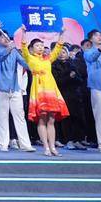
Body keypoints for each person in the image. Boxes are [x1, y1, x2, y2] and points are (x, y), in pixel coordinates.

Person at [0, 23, 34, 152]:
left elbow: (25, 63)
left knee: (20, 116)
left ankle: (25, 144)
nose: (6, 39)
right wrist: (9, 49)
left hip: (15, 88)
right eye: (3, 37)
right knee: (2, 117)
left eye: (7, 37)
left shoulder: (14, 51)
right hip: (0, 88)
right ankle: (3, 144)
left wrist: (34, 66)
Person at [21, 27, 69, 157]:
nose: (40, 48)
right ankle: (46, 147)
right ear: (32, 49)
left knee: (51, 120)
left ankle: (53, 147)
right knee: (42, 120)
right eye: (37, 46)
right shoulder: (29, 58)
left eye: (42, 45)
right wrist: (24, 33)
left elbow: (58, 47)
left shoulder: (48, 58)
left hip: (51, 90)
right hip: (39, 90)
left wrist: (62, 33)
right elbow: (23, 47)